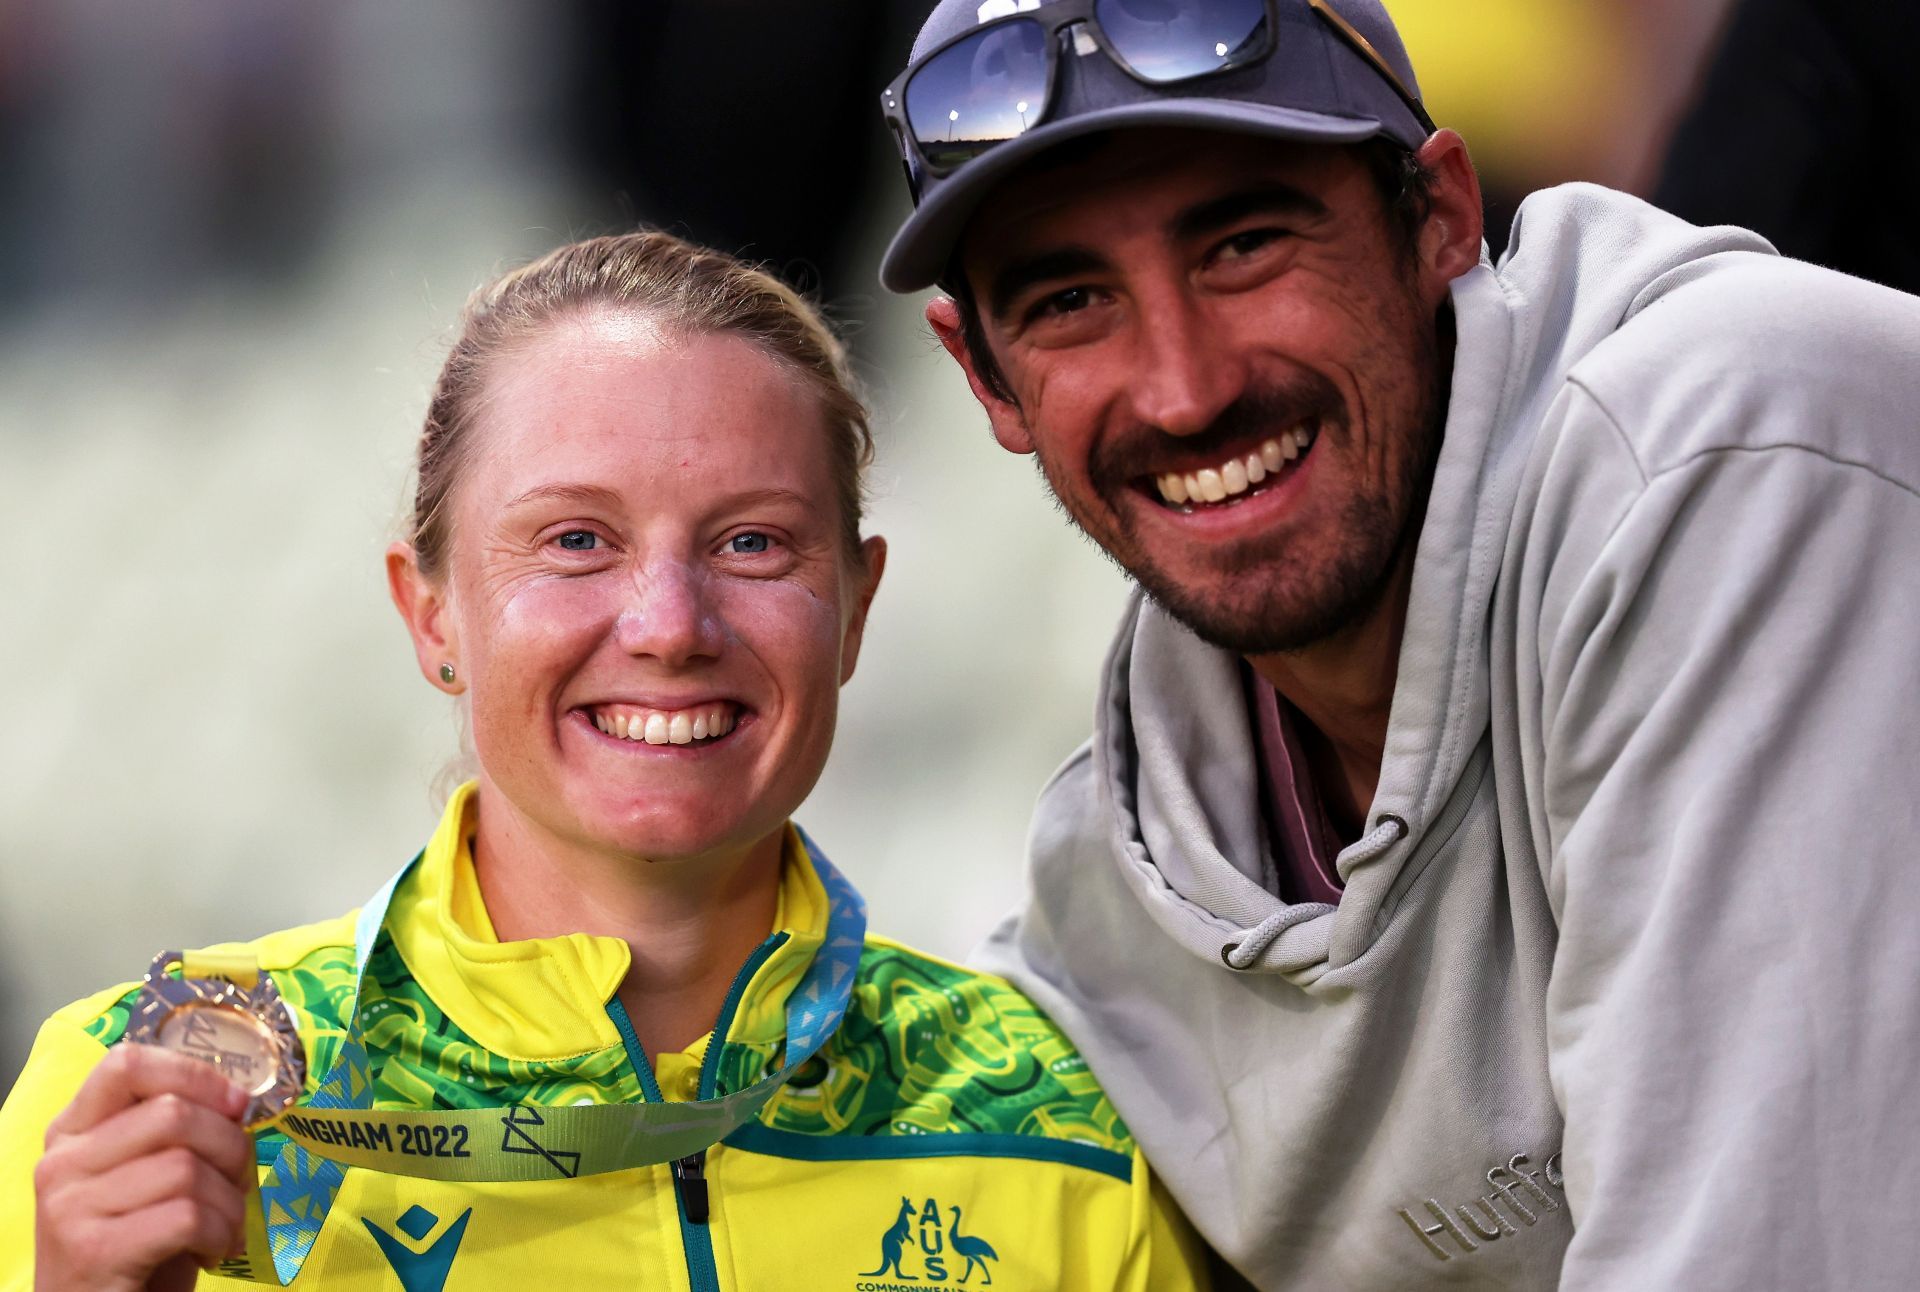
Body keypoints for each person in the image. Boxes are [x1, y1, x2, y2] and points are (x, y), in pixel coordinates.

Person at [876, 0, 1920, 1287]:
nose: (1186, 387)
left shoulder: (1728, 446)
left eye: (1246, 244)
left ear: (1439, 216)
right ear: (983, 379)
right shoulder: (1106, 905)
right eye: (1072, 299)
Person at [0, 232, 1208, 1290]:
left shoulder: (1054, 1121)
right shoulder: (141, 1101)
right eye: (576, 539)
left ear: (855, 608)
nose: (671, 623)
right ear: (432, 615)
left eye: (752, 541)